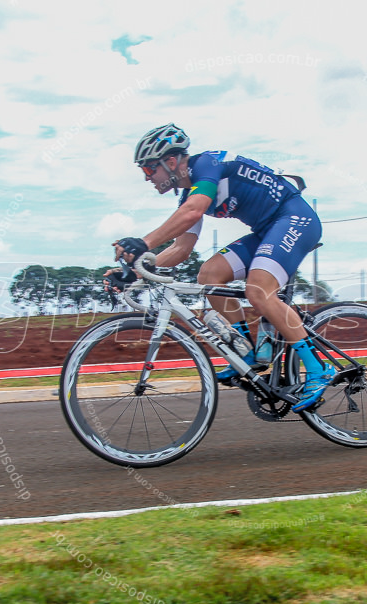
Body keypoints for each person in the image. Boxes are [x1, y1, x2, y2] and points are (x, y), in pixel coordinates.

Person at [108, 123, 333, 413]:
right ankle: (246, 355)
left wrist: (143, 242)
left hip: (295, 218)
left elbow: (194, 211)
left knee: (258, 290)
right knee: (210, 274)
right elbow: (180, 249)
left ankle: (317, 368)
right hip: (267, 230)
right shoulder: (189, 193)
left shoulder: (207, 165)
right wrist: (135, 272)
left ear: (171, 161)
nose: (147, 178)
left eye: (149, 169)